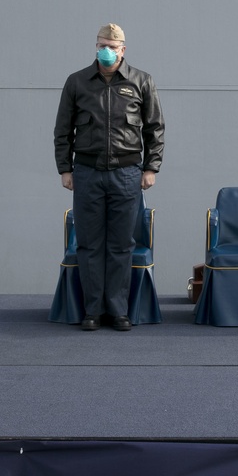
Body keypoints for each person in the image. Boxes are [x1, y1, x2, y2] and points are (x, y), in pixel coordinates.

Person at [53, 24, 164, 332]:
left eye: (112, 46)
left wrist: (151, 168)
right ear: (96, 45)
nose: (106, 49)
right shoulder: (77, 82)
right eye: (102, 44)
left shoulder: (141, 81)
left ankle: (117, 311)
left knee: (120, 244)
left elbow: (154, 129)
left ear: (122, 49)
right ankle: (92, 312)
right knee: (89, 245)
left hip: (127, 173)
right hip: (87, 173)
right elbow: (63, 130)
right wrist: (65, 169)